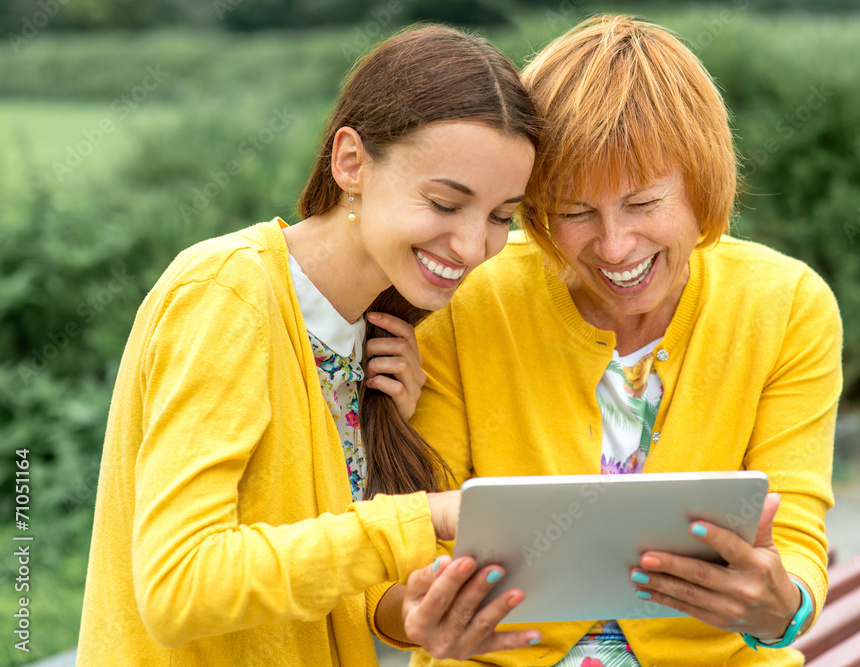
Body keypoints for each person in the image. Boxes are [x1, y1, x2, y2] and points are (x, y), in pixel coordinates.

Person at [372, 14, 843, 667]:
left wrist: (777, 607)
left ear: (701, 185)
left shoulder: (785, 305)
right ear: (535, 209)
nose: (616, 246)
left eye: (644, 204)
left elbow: (795, 550)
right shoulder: (467, 299)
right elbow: (400, 560)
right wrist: (412, 617)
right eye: (575, 213)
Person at [76, 25, 541, 666]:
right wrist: (421, 517)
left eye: (499, 217)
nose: (472, 247)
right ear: (350, 162)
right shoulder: (229, 291)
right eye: (443, 202)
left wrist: (421, 611)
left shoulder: (383, 339)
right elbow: (179, 587)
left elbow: (335, 584)